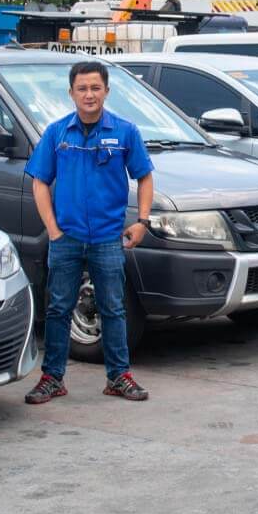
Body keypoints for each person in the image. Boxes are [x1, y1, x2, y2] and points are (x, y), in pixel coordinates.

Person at [23, 61, 154, 404]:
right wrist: (52, 229)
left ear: (107, 91)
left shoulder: (125, 132)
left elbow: (145, 176)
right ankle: (52, 378)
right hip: (66, 238)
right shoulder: (56, 133)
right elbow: (39, 181)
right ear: (71, 93)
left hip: (109, 238)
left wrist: (142, 221)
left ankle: (118, 377)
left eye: (95, 88)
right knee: (58, 309)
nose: (89, 94)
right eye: (82, 89)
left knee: (112, 308)